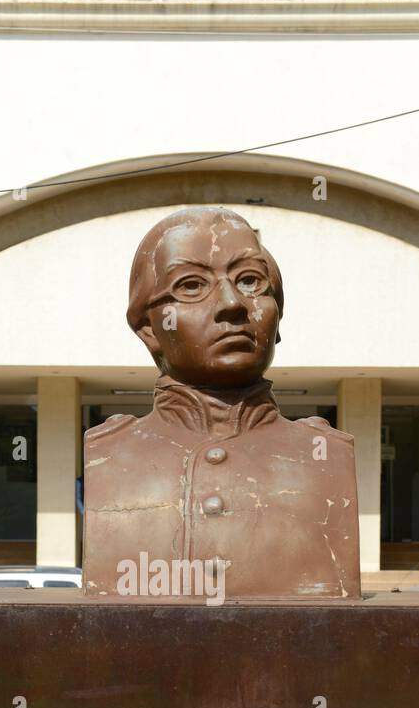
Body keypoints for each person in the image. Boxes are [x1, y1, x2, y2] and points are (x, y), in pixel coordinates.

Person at [82, 206, 361, 599]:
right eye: (191, 286)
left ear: (277, 316)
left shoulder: (325, 454)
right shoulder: (106, 453)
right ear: (149, 329)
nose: (232, 303)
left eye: (250, 281)